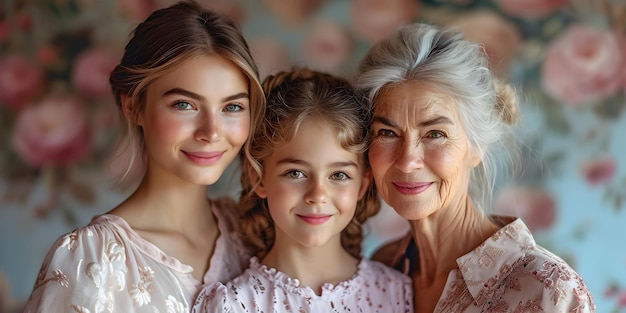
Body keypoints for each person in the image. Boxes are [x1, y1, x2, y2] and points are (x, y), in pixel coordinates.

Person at [22, 1, 265, 312]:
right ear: (133, 106)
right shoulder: (91, 260)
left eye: (232, 107)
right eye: (184, 104)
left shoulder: (253, 233)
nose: (212, 132)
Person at [355, 23, 596, 313]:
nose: (407, 161)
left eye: (435, 134)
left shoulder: (548, 290)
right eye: (387, 132)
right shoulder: (385, 268)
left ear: (476, 147)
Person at [191, 68, 413, 313]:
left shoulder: (396, 292)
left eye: (339, 175)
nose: (317, 195)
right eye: (295, 173)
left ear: (362, 184)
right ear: (260, 179)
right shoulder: (231, 305)